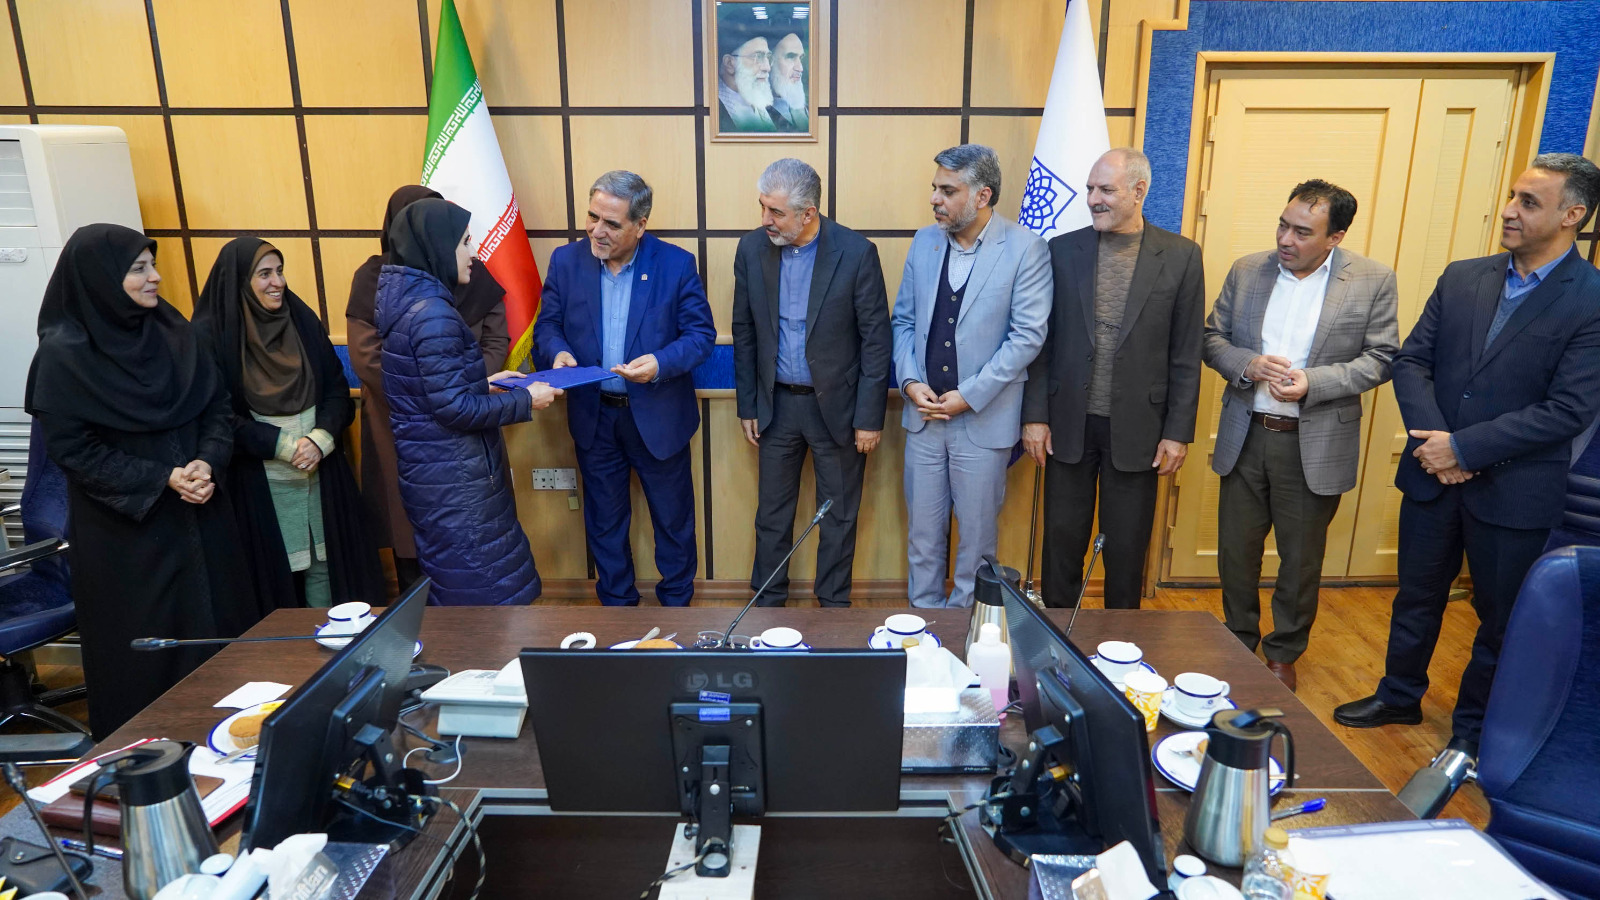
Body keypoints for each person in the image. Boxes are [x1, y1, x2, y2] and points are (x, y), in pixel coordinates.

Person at [1334, 154, 1600, 761]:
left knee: (1499, 621)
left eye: (1529, 202)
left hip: (1515, 491)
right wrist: (1439, 448)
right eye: (1513, 196)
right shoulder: (1462, 277)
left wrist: (1464, 448)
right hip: (1433, 475)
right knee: (1415, 596)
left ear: (1572, 215)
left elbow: (1569, 410)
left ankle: (1473, 732)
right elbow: (1410, 361)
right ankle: (1398, 695)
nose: (1508, 210)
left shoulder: (1591, 300)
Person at [25, 224, 262, 738]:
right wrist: (162, 478)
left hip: (204, 517)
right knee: (149, 659)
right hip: (127, 539)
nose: (155, 277)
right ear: (100, 278)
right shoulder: (64, 355)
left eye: (152, 265)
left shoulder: (176, 332)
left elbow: (217, 408)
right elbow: (74, 451)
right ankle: (152, 754)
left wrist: (208, 462)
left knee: (223, 639)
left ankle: (235, 745)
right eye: (138, 269)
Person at [1202, 181, 1400, 691]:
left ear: (1335, 237)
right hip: (1247, 435)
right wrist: (1247, 363)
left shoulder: (1373, 280)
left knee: (1300, 559)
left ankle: (1283, 653)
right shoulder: (1248, 270)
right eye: (1283, 225)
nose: (1285, 239)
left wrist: (1315, 382)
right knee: (1236, 553)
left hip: (1313, 442)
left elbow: (1382, 358)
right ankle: (1238, 641)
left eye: (1302, 232)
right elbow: (1211, 338)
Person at [1021, 148, 1204, 610]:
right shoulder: (1062, 250)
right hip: (1068, 424)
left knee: (1126, 550)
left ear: (1138, 191)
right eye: (1089, 189)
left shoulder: (1181, 256)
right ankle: (1056, 635)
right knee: (1062, 543)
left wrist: (1178, 432)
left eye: (1105, 190)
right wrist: (1035, 416)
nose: (1092, 199)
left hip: (1139, 429)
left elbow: (1186, 353)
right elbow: (1041, 343)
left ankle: (1122, 641)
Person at [535, 171, 715, 607]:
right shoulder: (566, 261)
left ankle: (677, 607)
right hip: (594, 415)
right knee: (604, 522)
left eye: (611, 224)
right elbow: (548, 325)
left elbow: (700, 336)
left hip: (658, 414)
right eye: (592, 217)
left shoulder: (675, 264)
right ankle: (617, 609)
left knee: (673, 521)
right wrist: (557, 352)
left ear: (640, 224)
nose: (597, 231)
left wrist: (660, 364)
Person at [375, 198, 559, 605]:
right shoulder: (433, 315)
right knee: (486, 599)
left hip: (438, 474)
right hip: (455, 480)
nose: (473, 252)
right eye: (464, 242)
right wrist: (526, 400)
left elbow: (429, 392)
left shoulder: (409, 303)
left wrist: (484, 382)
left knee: (464, 590)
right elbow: (454, 409)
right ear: (437, 247)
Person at [893, 144, 1051, 609]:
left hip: (982, 421)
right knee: (923, 538)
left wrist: (969, 395)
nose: (935, 199)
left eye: (948, 190)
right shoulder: (924, 242)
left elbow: (1027, 337)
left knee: (977, 545)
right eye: (935, 189)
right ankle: (921, 631)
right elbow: (903, 322)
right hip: (923, 420)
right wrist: (909, 383)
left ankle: (967, 634)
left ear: (982, 196)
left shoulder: (1025, 249)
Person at [192, 238, 385, 610]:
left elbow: (336, 390)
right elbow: (216, 416)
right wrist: (282, 446)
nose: (277, 282)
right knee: (274, 578)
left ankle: (328, 640)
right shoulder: (210, 335)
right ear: (240, 281)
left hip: (322, 470)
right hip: (257, 480)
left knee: (327, 570)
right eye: (264, 274)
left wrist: (320, 439)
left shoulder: (301, 319)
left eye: (279, 271)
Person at [732, 158, 890, 607]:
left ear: (809, 213)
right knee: (771, 515)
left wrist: (868, 418)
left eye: (776, 212)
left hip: (837, 411)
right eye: (763, 207)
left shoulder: (856, 252)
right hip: (777, 407)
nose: (765, 219)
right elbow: (744, 331)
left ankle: (833, 609)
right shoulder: (751, 249)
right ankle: (767, 605)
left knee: (838, 517)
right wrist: (748, 405)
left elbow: (876, 341)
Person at [348, 185, 512, 590]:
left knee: (473, 534)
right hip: (399, 420)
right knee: (414, 528)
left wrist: (462, 384)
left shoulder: (472, 273)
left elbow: (495, 342)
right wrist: (435, 391)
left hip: (469, 413)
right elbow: (368, 359)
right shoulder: (377, 281)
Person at [717, 29, 777, 132]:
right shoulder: (714, 109)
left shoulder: (768, 106)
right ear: (729, 63)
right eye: (757, 57)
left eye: (768, 57)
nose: (767, 67)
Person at [769, 32, 808, 131]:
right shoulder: (755, 114)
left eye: (800, 58)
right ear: (769, 61)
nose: (800, 68)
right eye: (790, 57)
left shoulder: (811, 112)